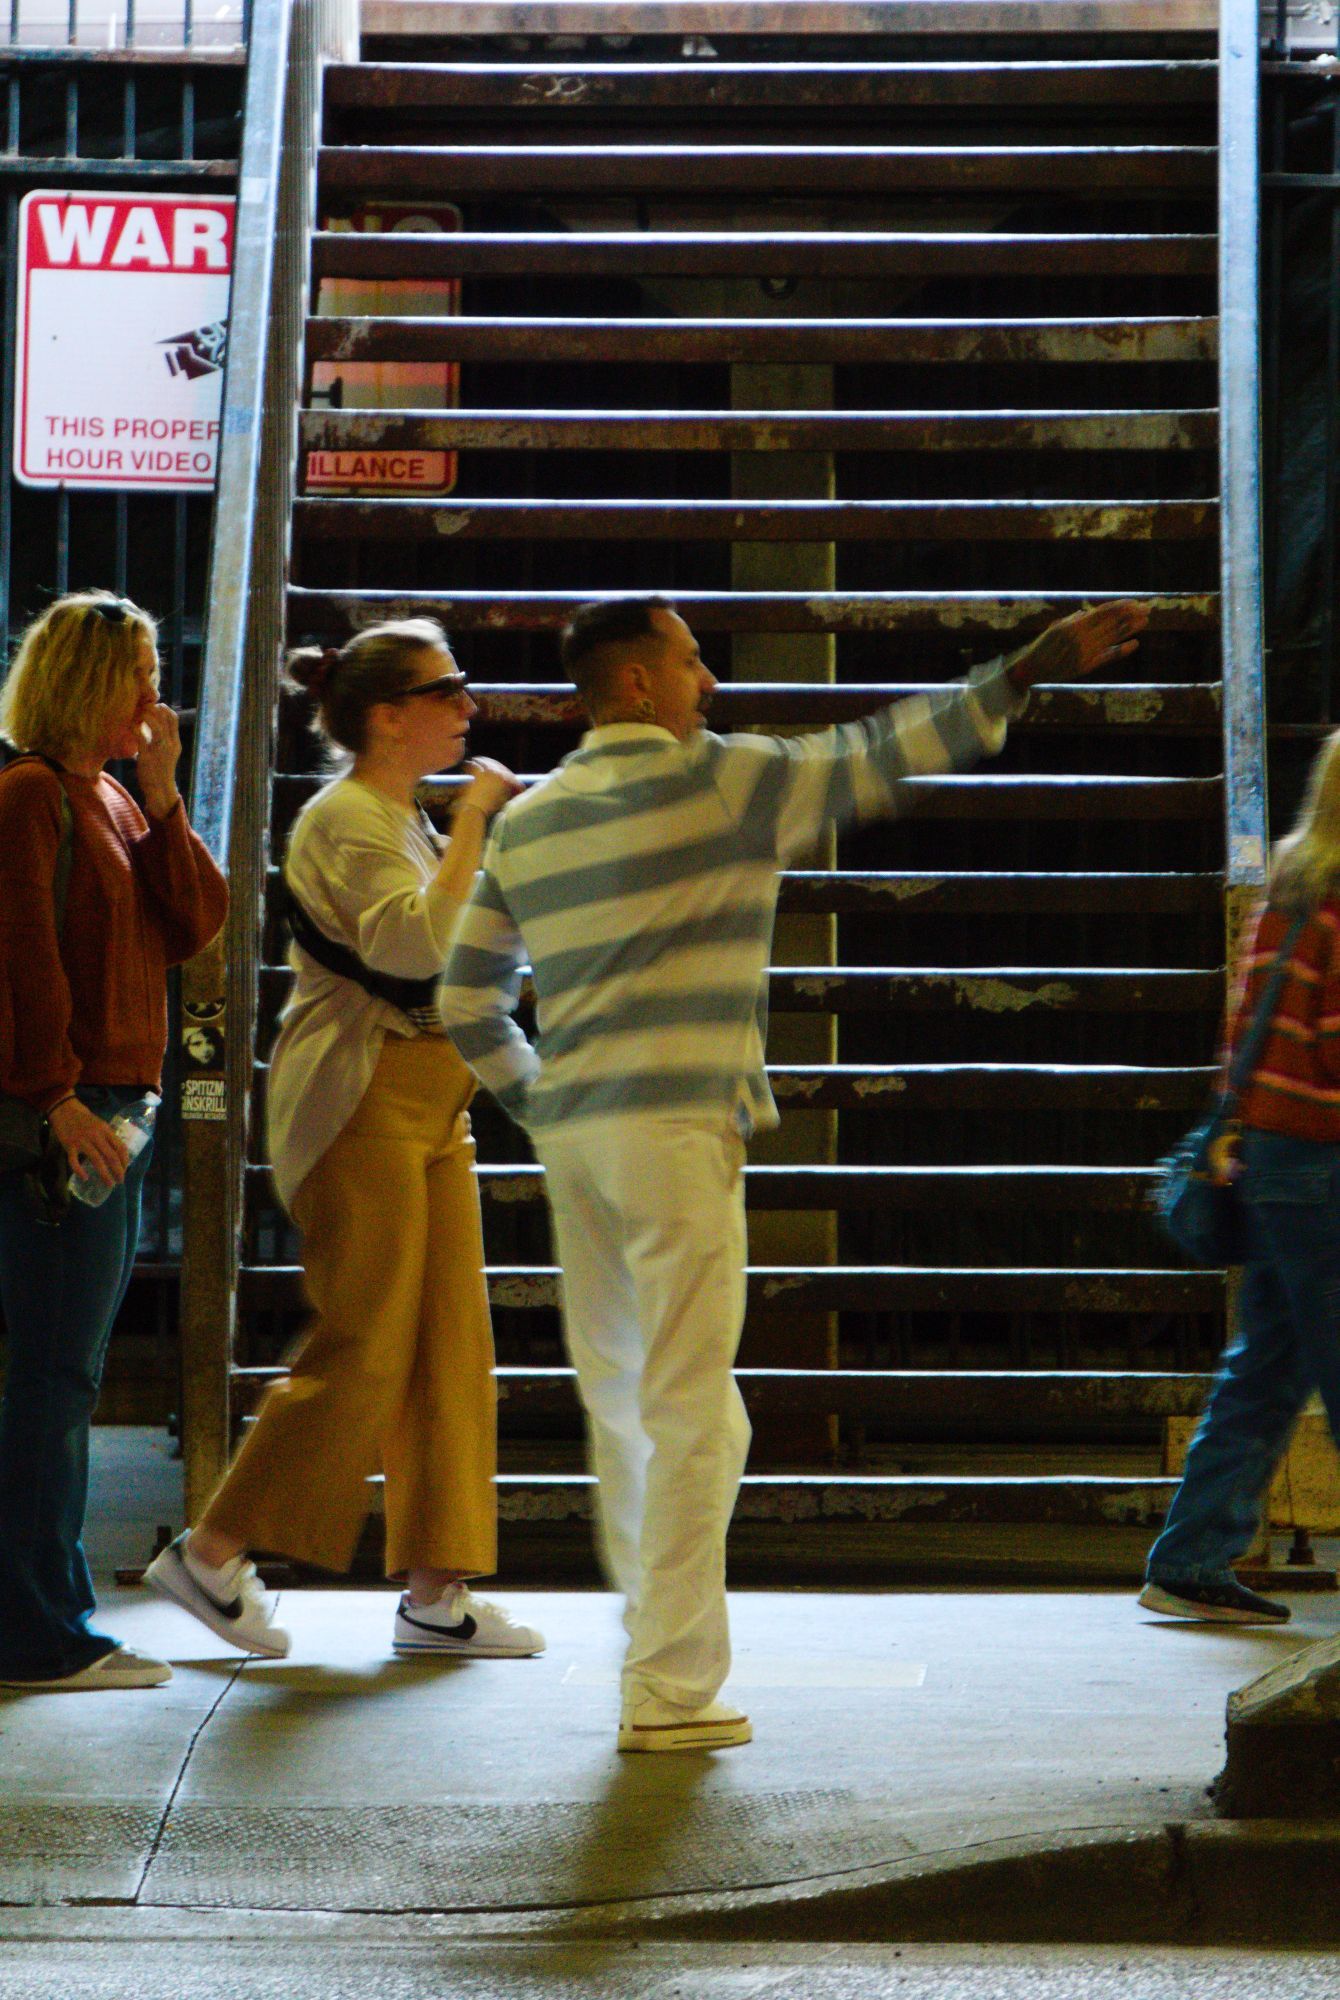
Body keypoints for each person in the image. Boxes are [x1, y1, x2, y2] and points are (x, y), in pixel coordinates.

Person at [439, 592, 1149, 1751]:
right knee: (691, 1416)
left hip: (581, 1146)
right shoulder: (725, 782)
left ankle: (653, 1653)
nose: (706, 679)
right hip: (676, 1139)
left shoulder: (530, 821)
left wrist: (547, 1103)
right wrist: (1018, 670)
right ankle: (667, 1687)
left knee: (629, 1408)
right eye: (686, 658)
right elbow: (880, 754)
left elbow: (466, 1002)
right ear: (634, 684)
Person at [146, 619, 545, 1663]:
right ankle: (214, 1549)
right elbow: (414, 944)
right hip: (360, 1096)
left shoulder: (403, 812)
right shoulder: (348, 818)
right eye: (447, 687)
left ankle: (435, 1591)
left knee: (451, 1343)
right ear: (387, 714)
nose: (468, 704)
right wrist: (479, 829)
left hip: (429, 1100)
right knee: (364, 1336)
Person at [0, 590, 228, 1691]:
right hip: (72, 1114)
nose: (155, 694)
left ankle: (53, 1612)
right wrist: (52, 1097)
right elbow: (20, 961)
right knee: (51, 1372)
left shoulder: (116, 801)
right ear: (93, 682)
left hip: (113, 1110)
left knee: (61, 1370)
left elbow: (196, 921)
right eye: (138, 672)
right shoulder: (32, 794)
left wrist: (166, 792)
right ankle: (38, 1629)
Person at [1142, 726, 1340, 1626]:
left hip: (1269, 1159)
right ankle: (1188, 1558)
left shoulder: (1294, 885)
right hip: (1326, 1164)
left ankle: (1189, 1559)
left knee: (1265, 1366)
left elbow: (1245, 1028)